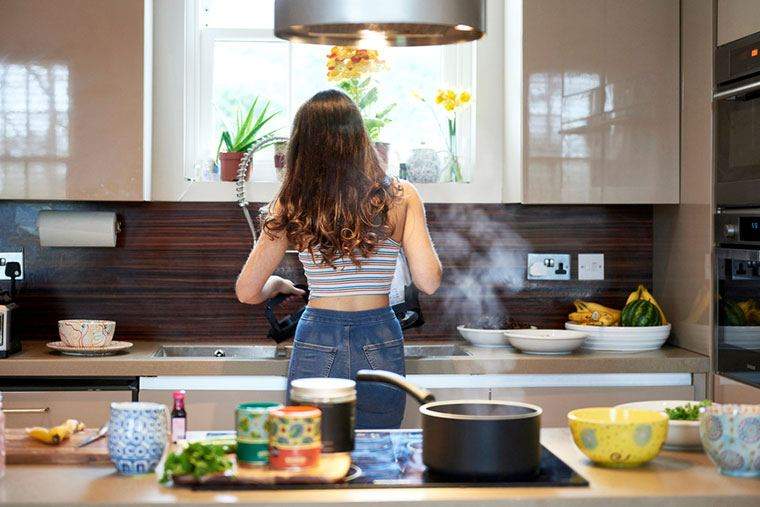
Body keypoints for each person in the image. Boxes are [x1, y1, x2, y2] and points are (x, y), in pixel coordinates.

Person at [235, 89, 441, 429]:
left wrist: (275, 286)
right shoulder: (401, 195)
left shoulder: (290, 202)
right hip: (380, 335)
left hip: (318, 335)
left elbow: (247, 291)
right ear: (361, 137)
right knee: (378, 454)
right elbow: (429, 281)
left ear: (302, 146)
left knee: (312, 453)